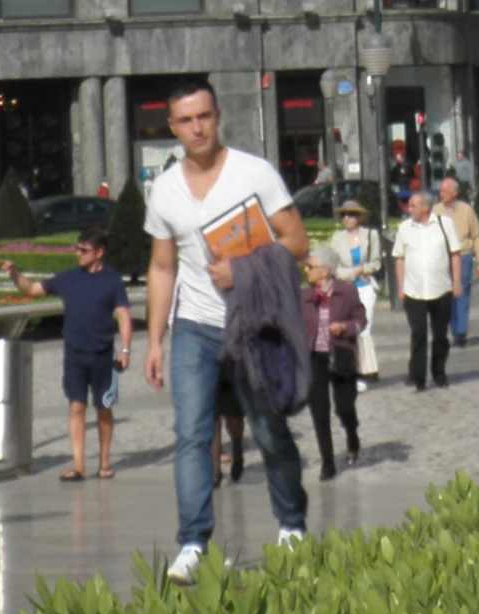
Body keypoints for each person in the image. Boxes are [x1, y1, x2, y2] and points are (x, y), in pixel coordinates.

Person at [142, 76, 312, 586]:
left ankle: (292, 524)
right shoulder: (165, 189)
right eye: (186, 120)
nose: (198, 127)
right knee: (192, 436)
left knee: (268, 431)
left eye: (205, 116)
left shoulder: (253, 173)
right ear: (172, 127)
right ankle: (193, 542)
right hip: (194, 327)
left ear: (217, 117)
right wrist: (153, 339)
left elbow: (297, 240)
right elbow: (161, 267)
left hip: (253, 323)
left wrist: (243, 272)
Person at [1, 226, 133, 479]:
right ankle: (78, 465)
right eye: (77, 249)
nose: (78, 254)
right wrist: (15, 273)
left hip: (103, 353)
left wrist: (126, 349)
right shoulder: (68, 278)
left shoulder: (113, 281)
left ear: (99, 253)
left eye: (83, 250)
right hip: (74, 353)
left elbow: (124, 315)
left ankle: (104, 462)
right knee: (76, 406)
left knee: (103, 408)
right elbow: (32, 290)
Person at [301, 245, 365, 477]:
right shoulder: (304, 297)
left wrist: (345, 327)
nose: (306, 270)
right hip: (314, 358)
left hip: (340, 354)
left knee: (344, 407)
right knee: (319, 410)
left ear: (325, 271)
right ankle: (328, 462)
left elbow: (361, 320)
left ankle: (351, 435)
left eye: (310, 267)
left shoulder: (347, 292)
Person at [392, 186, 461, 390]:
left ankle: (439, 372)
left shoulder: (444, 224)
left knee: (440, 334)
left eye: (413, 205)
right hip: (414, 291)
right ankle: (418, 376)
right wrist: (401, 285)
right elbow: (399, 258)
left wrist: (457, 281)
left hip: (441, 289)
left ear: (425, 208)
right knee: (418, 331)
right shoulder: (405, 228)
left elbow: (455, 254)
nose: (408, 209)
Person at [329, 201, 382, 380]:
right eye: (344, 215)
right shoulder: (337, 238)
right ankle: (353, 367)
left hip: (366, 287)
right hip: (347, 288)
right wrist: (355, 272)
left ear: (358, 217)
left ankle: (368, 368)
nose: (347, 218)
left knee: (364, 327)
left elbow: (376, 263)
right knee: (351, 328)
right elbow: (335, 268)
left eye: (350, 215)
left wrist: (364, 270)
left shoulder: (370, 235)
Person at [438, 176, 479, 346]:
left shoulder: (466, 210)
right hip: (443, 258)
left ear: (454, 192)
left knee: (462, 293)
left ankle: (461, 332)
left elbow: (477, 236)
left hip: (463, 255)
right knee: (447, 296)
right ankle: (454, 327)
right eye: (440, 191)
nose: (440, 194)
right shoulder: (436, 211)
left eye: (444, 191)